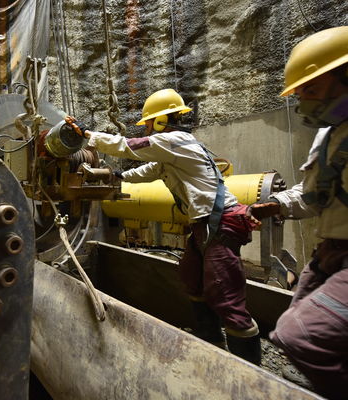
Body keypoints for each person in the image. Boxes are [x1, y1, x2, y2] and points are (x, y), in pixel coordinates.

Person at [65, 88, 261, 364]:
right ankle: (212, 343)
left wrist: (88, 137)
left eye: (148, 122)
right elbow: (149, 171)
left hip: (219, 223)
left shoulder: (175, 140)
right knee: (192, 278)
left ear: (160, 121)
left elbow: (128, 145)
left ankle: (251, 373)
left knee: (224, 294)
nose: (146, 127)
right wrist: (118, 175)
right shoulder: (173, 149)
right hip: (204, 226)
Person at [249, 26, 348, 399]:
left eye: (311, 89)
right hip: (330, 254)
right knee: (298, 325)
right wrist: (278, 204)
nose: (301, 101)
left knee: (300, 334)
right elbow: (313, 197)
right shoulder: (328, 136)